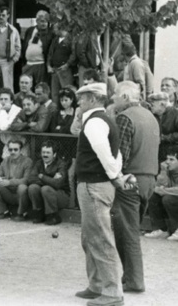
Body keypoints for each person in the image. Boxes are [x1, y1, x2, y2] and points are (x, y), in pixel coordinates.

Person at [73, 82, 125, 305]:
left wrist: (115, 175)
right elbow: (117, 153)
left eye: (83, 97)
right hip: (96, 185)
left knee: (100, 239)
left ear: (93, 99)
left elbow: (105, 153)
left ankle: (112, 292)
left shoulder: (94, 122)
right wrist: (116, 173)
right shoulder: (105, 120)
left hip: (94, 186)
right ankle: (96, 285)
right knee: (90, 237)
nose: (79, 101)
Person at [110, 81, 160, 294]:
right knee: (131, 229)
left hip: (130, 180)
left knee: (126, 233)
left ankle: (134, 280)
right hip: (149, 180)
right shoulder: (151, 117)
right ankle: (129, 276)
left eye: (115, 95)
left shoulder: (125, 117)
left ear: (124, 97)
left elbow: (120, 155)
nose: (112, 99)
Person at [0, 139, 33, 220]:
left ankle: (21, 213)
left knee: (22, 187)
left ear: (21, 150)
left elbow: (26, 180)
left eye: (15, 149)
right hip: (8, 193)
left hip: (21, 194)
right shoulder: (6, 160)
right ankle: (3, 211)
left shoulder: (27, 161)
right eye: (10, 149)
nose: (13, 152)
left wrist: (9, 182)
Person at [25, 140, 70, 224]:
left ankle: (53, 216)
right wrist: (51, 180)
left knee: (46, 189)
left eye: (48, 153)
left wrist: (42, 176)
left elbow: (58, 184)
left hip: (61, 196)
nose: (45, 155)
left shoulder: (61, 164)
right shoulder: (39, 163)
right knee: (33, 187)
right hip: (45, 193)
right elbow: (30, 179)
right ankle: (39, 213)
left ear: (54, 154)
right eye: (43, 152)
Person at [145, 146, 178, 241]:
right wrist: (163, 172)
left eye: (172, 159)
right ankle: (161, 229)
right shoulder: (169, 171)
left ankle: (176, 229)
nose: (167, 162)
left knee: (168, 199)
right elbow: (158, 186)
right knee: (153, 196)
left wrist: (165, 191)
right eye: (167, 159)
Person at [21, 10, 53, 86]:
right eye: (42, 21)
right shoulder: (30, 30)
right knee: (26, 85)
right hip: (28, 64)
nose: (44, 23)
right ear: (37, 21)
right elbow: (25, 44)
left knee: (40, 87)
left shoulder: (49, 33)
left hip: (41, 64)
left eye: (46, 21)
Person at [47, 23, 76, 101]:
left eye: (55, 29)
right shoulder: (55, 40)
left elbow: (73, 54)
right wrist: (49, 65)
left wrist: (67, 64)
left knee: (67, 92)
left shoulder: (70, 39)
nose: (54, 31)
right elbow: (50, 53)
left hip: (65, 69)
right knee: (55, 93)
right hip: (54, 69)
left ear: (61, 29)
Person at [148, 92, 178, 164]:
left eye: (152, 104)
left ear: (162, 104)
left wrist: (163, 138)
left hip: (172, 155)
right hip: (158, 154)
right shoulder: (153, 115)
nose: (150, 107)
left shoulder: (175, 114)